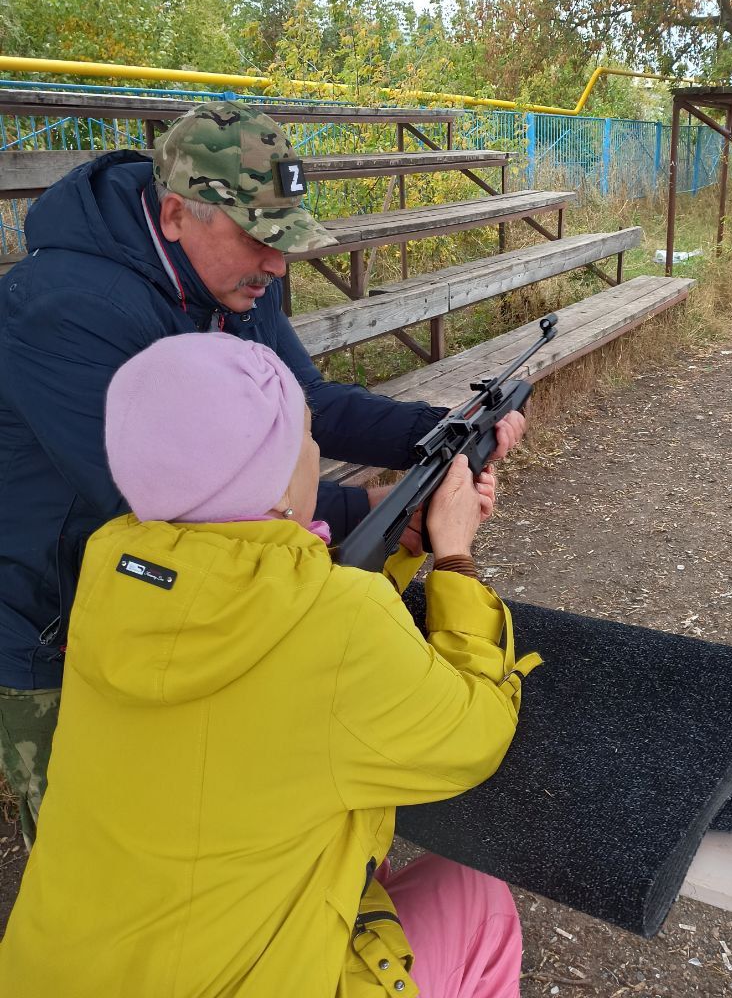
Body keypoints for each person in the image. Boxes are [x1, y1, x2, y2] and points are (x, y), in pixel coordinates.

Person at [0, 101, 524, 845]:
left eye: (287, 240)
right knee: (89, 837)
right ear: (177, 214)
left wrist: (442, 434)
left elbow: (301, 402)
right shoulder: (61, 307)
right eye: (260, 240)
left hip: (174, 604)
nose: (279, 265)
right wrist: (363, 510)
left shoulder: (231, 275)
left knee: (189, 827)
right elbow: (169, 508)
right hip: (53, 618)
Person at [0, 333, 539, 997]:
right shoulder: (332, 620)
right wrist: (454, 556)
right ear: (281, 479)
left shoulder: (113, 573)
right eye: (306, 441)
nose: (313, 455)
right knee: (476, 900)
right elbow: (472, 739)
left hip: (51, 976)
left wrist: (396, 549)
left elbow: (275, 637)